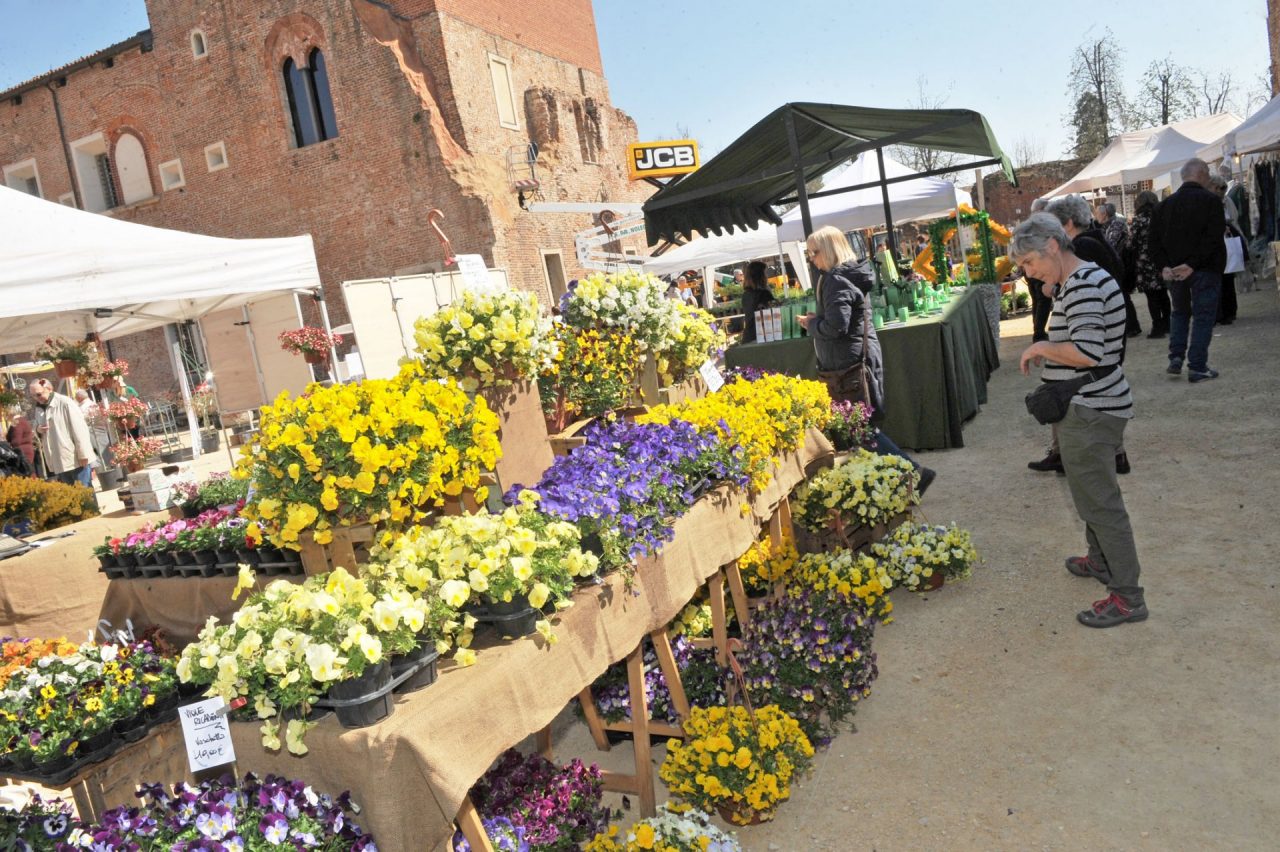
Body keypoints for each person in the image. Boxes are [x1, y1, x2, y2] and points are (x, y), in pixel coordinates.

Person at [1012, 213, 1147, 628]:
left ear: (1053, 246)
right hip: (1094, 404)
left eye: (1029, 262)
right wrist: (1056, 291)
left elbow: (1088, 351)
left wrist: (1041, 347)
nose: (1029, 273)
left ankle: (1127, 597)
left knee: (1100, 503)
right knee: (1089, 493)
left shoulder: (1084, 284)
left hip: (1091, 409)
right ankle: (1101, 561)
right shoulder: (1081, 280)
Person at [798, 226, 936, 495]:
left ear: (827, 251)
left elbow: (836, 326)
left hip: (847, 363)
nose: (811, 259)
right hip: (854, 357)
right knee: (858, 425)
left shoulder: (836, 280)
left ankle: (913, 472)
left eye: (813, 253)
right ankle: (894, 478)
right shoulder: (850, 275)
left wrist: (812, 324)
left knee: (857, 427)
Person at [1030, 195, 1131, 475]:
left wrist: (1041, 347)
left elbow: (1086, 350)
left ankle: (1091, 453)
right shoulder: (1093, 242)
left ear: (1068, 224)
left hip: (1093, 378)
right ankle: (1097, 452)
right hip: (1101, 342)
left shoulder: (1082, 252)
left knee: (1097, 493)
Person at [1149, 158, 1226, 382]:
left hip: (1175, 271)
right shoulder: (1211, 201)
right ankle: (1197, 365)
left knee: (1180, 313)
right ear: (1200, 173)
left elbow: (1152, 242)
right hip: (1203, 269)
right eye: (1208, 171)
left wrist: (1164, 265)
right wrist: (1192, 263)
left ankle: (1176, 357)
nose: (1210, 175)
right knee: (1202, 316)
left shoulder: (1163, 206)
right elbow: (1213, 238)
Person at [27, 379, 94, 487]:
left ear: (49, 389)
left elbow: (80, 429)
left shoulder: (65, 402)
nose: (36, 398)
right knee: (71, 497)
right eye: (33, 396)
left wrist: (84, 454)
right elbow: (36, 426)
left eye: (38, 394)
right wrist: (38, 429)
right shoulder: (39, 408)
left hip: (75, 458)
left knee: (85, 494)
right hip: (57, 460)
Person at [1126, 191, 1169, 338]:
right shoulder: (1162, 216)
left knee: (1152, 297)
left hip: (1145, 263)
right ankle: (1168, 324)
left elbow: (1130, 244)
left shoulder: (1138, 221)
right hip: (1162, 260)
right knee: (1163, 294)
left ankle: (1157, 327)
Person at [1208, 174, 1240, 326]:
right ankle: (1224, 312)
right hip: (1217, 244)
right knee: (1221, 279)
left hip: (1225, 242)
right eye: (1219, 188)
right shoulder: (1210, 201)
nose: (1221, 191)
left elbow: (1234, 218)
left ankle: (1228, 312)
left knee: (1226, 278)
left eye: (1223, 188)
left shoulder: (1226, 201)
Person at [1025, 198, 1052, 341]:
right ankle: (1039, 332)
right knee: (1043, 299)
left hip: (1028, 266)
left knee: (1037, 299)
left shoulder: (1027, 225)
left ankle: (1037, 329)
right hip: (1038, 265)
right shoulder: (1040, 224)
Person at [739, 261, 776, 344]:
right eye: (765, 274)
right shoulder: (764, 293)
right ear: (761, 276)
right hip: (762, 337)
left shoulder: (746, 294)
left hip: (749, 337)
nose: (767, 277)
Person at [5, 409, 37, 476]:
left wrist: (7, 446)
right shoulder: (21, 420)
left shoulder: (18, 422)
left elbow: (16, 441)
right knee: (28, 471)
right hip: (26, 450)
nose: (5, 418)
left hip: (23, 452)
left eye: (6, 415)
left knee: (26, 473)